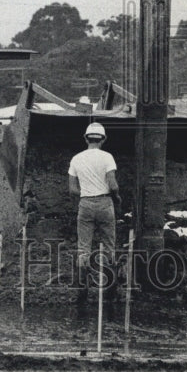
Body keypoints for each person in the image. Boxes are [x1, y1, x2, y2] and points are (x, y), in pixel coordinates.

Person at [68, 121, 121, 304]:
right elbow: (113, 185)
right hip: (105, 203)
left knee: (83, 249)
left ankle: (82, 292)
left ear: (86, 138)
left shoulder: (76, 159)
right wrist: (117, 198)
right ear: (103, 139)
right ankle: (110, 292)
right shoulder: (107, 157)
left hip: (85, 204)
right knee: (109, 246)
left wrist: (86, 194)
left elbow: (72, 189)